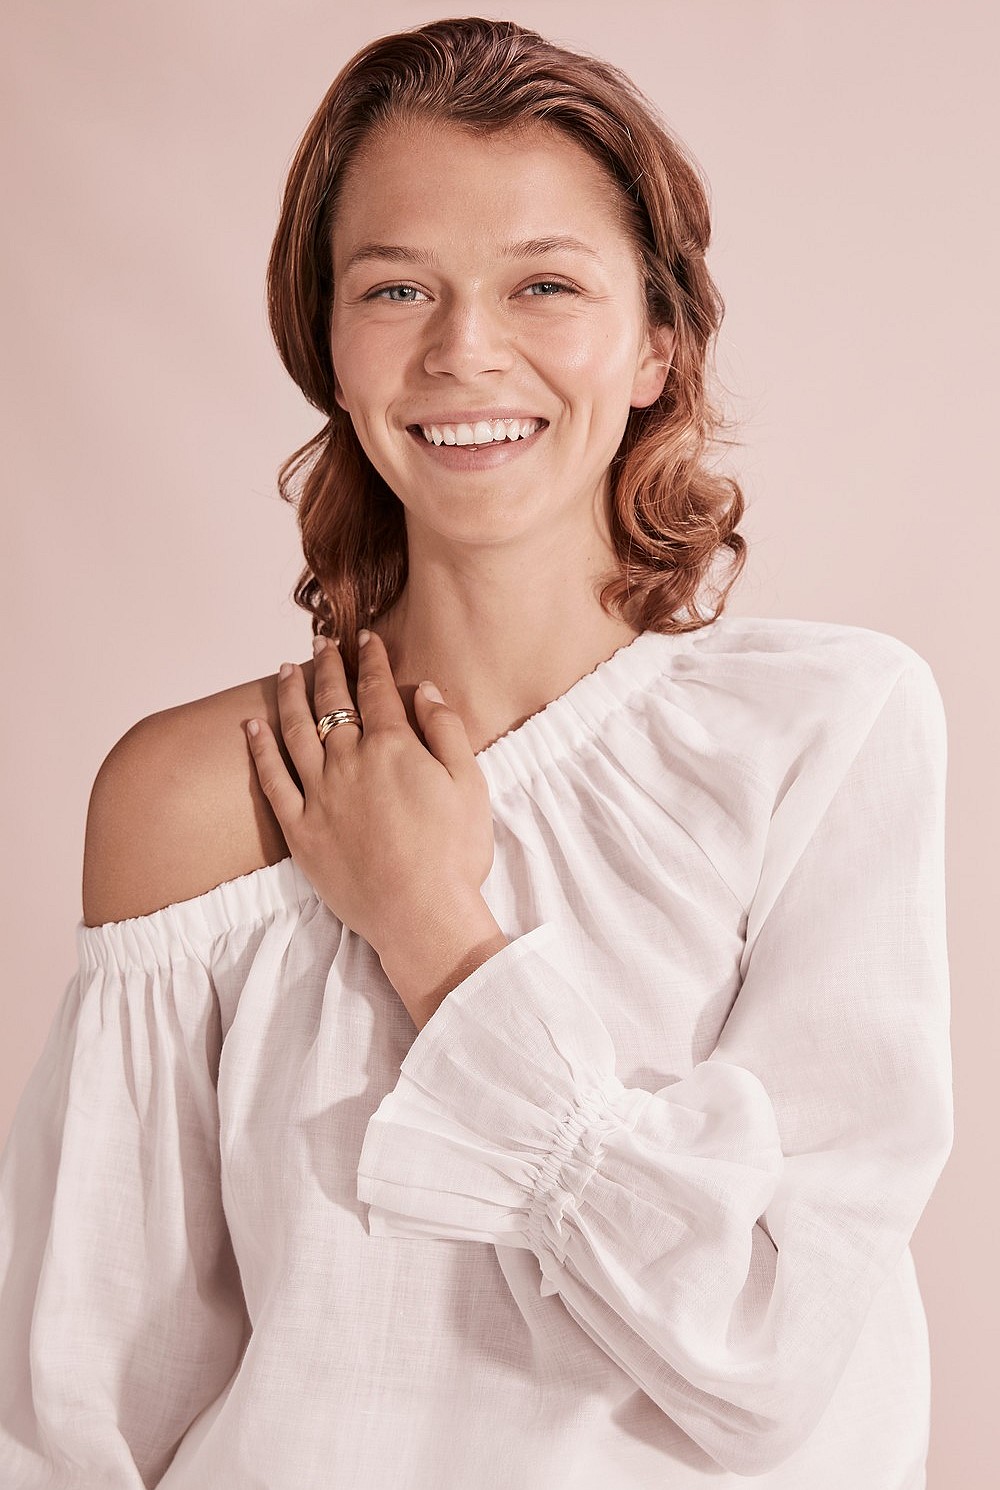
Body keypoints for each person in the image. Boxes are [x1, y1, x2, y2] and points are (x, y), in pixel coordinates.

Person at [0, 15, 952, 1489]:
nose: (463, 349)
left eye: (544, 284)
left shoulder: (822, 732)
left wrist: (436, 933)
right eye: (397, 288)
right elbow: (86, 1418)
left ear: (658, 342)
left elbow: (775, 1355)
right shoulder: (191, 796)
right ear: (328, 344)